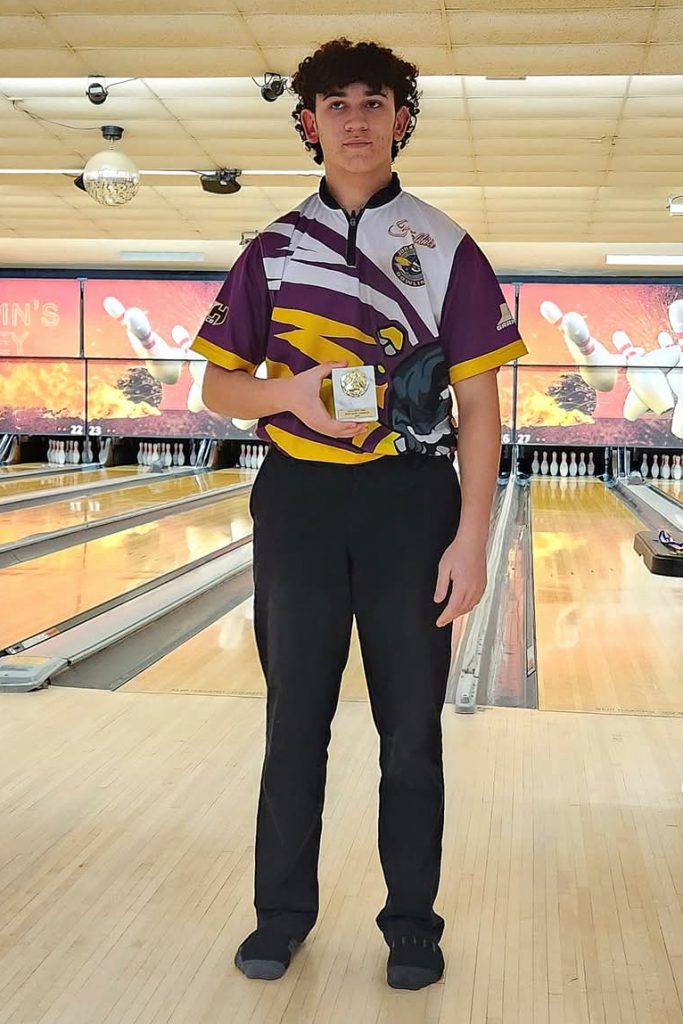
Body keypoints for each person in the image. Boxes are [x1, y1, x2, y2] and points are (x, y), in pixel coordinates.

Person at [191, 38, 527, 991]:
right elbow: (219, 385)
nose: (353, 119)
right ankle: (280, 915)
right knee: (293, 722)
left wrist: (469, 534)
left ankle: (411, 923)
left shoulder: (447, 246)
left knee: (410, 732)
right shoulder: (271, 247)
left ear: (400, 119)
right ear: (309, 123)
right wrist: (288, 395)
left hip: (409, 505)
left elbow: (479, 407)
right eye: (333, 104)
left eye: (371, 102)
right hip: (299, 500)